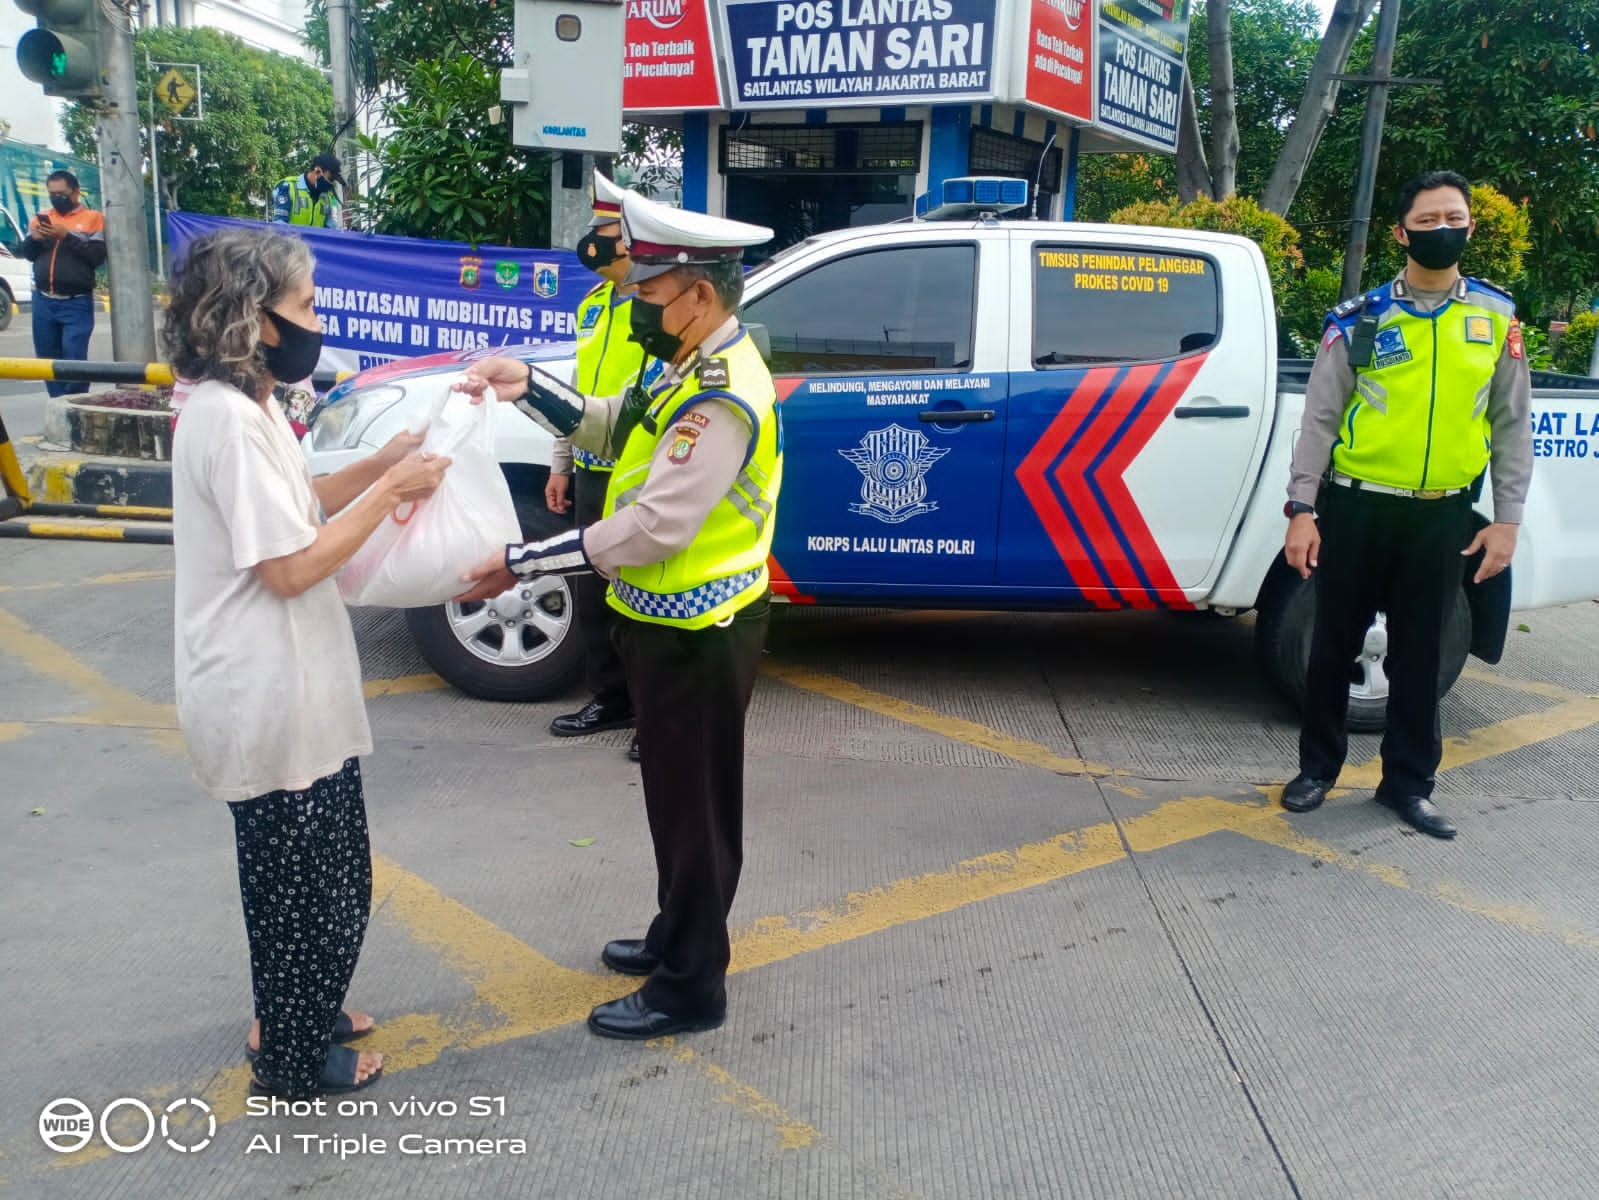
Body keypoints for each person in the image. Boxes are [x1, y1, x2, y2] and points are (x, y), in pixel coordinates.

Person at [454, 193, 781, 1039]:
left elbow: (652, 526)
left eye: (648, 290)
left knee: (697, 811)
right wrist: (525, 385)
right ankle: (679, 934)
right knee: (677, 803)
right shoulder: (679, 363)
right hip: (665, 622)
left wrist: (520, 567)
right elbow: (605, 427)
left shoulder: (719, 394)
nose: (634, 303)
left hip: (698, 634)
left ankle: (690, 987)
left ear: (698, 295)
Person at [166, 228, 451, 1096]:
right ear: (253, 318)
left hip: (289, 685)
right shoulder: (226, 421)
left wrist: (379, 465)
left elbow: (299, 506)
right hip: (263, 692)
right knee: (304, 893)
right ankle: (291, 1060)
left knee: (324, 878)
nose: (317, 321)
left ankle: (303, 1006)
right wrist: (395, 496)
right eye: (307, 306)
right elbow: (289, 566)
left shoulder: (251, 408)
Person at [1280, 170, 1532, 840]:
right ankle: (1316, 770)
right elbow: (1319, 421)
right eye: (1425, 222)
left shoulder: (1494, 318)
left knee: (1419, 656)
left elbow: (1511, 426)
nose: (1440, 230)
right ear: (1400, 232)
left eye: (1452, 217)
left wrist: (1506, 520)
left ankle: (1407, 785)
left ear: (1470, 227)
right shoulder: (1360, 318)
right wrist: (1301, 509)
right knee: (1332, 646)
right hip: (1357, 506)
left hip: (1441, 514)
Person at [546, 172, 649, 757]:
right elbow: (577, 392)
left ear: (632, 239)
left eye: (604, 231)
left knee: (640, 596)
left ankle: (651, 712)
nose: (594, 242)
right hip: (591, 467)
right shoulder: (592, 305)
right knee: (595, 592)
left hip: (639, 470)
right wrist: (561, 462)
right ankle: (611, 698)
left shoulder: (657, 303)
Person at [19, 171, 104, 397]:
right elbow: (27, 254)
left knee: (75, 359)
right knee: (47, 361)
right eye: (52, 194)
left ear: (75, 192)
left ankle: (76, 407)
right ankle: (58, 406)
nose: (57, 198)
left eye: (62, 193)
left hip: (76, 302)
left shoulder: (93, 218)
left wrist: (66, 236)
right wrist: (34, 239)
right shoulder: (40, 218)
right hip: (43, 301)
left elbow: (96, 257)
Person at [271, 152, 345, 229]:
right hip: (290, 240)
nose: (330, 183)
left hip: (315, 241)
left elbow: (331, 229)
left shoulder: (326, 199)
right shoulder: (288, 188)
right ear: (317, 171)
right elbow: (279, 225)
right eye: (330, 179)